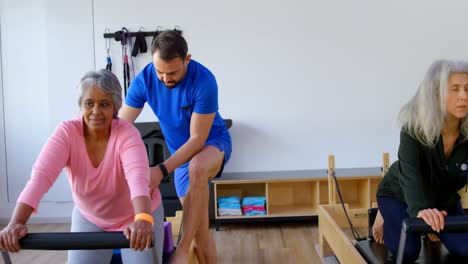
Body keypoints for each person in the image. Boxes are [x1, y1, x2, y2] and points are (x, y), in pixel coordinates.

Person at [0, 70, 164, 264]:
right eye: (89, 104)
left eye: (104, 104)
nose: (96, 111)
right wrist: (16, 222)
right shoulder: (66, 133)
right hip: (91, 217)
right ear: (81, 105)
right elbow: (41, 177)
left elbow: (137, 178)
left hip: (134, 215)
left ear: (115, 107)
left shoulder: (127, 134)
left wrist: (143, 218)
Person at [119, 30, 232, 264]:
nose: (165, 78)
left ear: (187, 60)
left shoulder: (204, 81)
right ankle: (191, 245)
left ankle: (181, 249)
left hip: (212, 144)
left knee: (198, 167)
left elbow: (197, 140)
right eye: (159, 71)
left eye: (172, 72)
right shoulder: (145, 79)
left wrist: (160, 170)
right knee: (200, 232)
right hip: (181, 158)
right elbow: (120, 126)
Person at [375, 59, 468, 262]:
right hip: (400, 195)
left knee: (465, 248)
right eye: (455, 89)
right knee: (408, 250)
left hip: (443, 200)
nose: (464, 96)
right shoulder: (413, 131)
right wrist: (421, 210)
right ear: (435, 95)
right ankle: (382, 215)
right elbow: (412, 179)